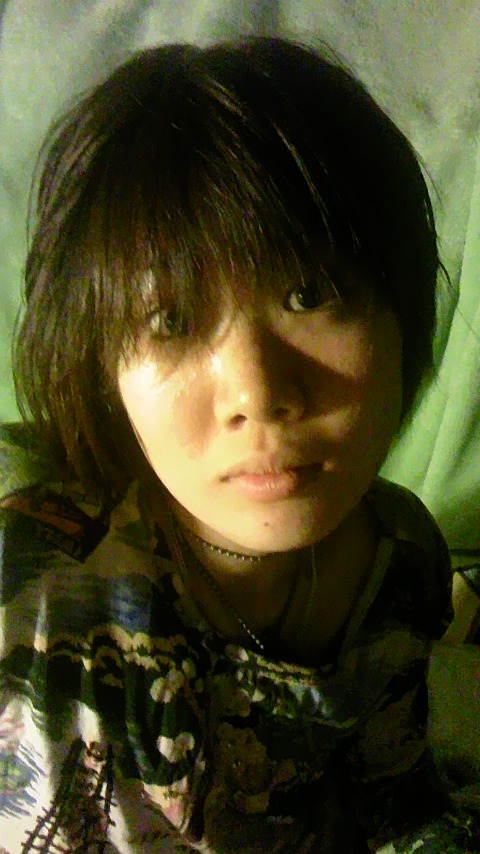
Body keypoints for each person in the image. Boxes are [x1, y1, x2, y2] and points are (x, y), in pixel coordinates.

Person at [0, 36, 477, 854]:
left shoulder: (403, 559)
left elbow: (395, 800)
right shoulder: (35, 591)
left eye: (308, 294)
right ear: (102, 369)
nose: (257, 394)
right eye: (171, 321)